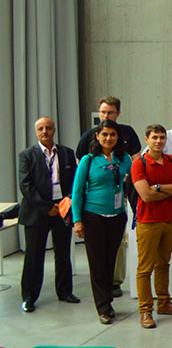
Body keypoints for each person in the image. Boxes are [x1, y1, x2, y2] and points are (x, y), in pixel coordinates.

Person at [17, 117, 80, 312]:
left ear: (54, 130)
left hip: (62, 209)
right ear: (36, 132)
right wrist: (46, 207)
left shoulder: (67, 153)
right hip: (37, 211)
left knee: (63, 253)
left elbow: (75, 181)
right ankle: (29, 297)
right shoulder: (27, 155)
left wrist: (65, 203)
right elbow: (26, 185)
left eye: (49, 128)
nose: (45, 132)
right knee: (34, 256)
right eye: (41, 129)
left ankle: (65, 292)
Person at [71, 120, 131, 324]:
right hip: (93, 217)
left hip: (117, 216)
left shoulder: (124, 159)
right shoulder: (88, 160)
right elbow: (77, 191)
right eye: (104, 134)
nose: (108, 138)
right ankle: (103, 307)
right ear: (97, 136)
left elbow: (134, 182)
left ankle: (108, 301)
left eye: (113, 134)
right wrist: (77, 220)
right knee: (97, 264)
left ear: (118, 137)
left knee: (110, 261)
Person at [130, 124, 172, 328]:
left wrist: (158, 187)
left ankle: (164, 303)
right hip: (148, 222)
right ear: (146, 139)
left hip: (170, 220)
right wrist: (170, 189)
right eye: (154, 137)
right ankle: (145, 310)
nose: (158, 141)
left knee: (163, 263)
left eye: (162, 137)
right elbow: (146, 195)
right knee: (145, 268)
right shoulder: (139, 164)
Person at [74, 96, 142, 160]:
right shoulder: (88, 136)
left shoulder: (128, 132)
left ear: (118, 113)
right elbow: (79, 161)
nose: (106, 116)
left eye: (110, 113)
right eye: (103, 112)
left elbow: (136, 159)